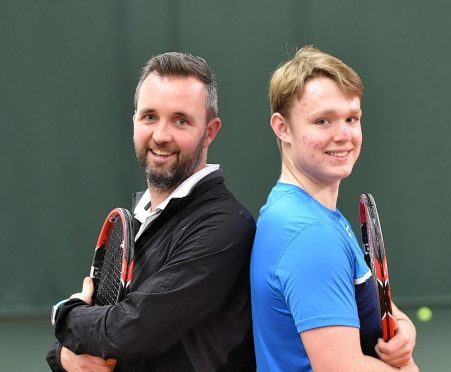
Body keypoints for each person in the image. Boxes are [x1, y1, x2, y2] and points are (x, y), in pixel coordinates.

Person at [47, 52, 256, 371]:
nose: (161, 136)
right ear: (134, 121)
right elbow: (101, 327)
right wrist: (63, 356)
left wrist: (66, 314)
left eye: (180, 120)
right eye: (149, 117)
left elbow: (130, 332)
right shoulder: (139, 216)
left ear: (210, 131)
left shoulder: (225, 227)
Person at [250, 46, 418, 371]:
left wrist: (404, 333)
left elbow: (375, 302)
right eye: (323, 121)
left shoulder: (301, 212)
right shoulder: (311, 236)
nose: (343, 135)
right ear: (282, 127)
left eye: (351, 118)